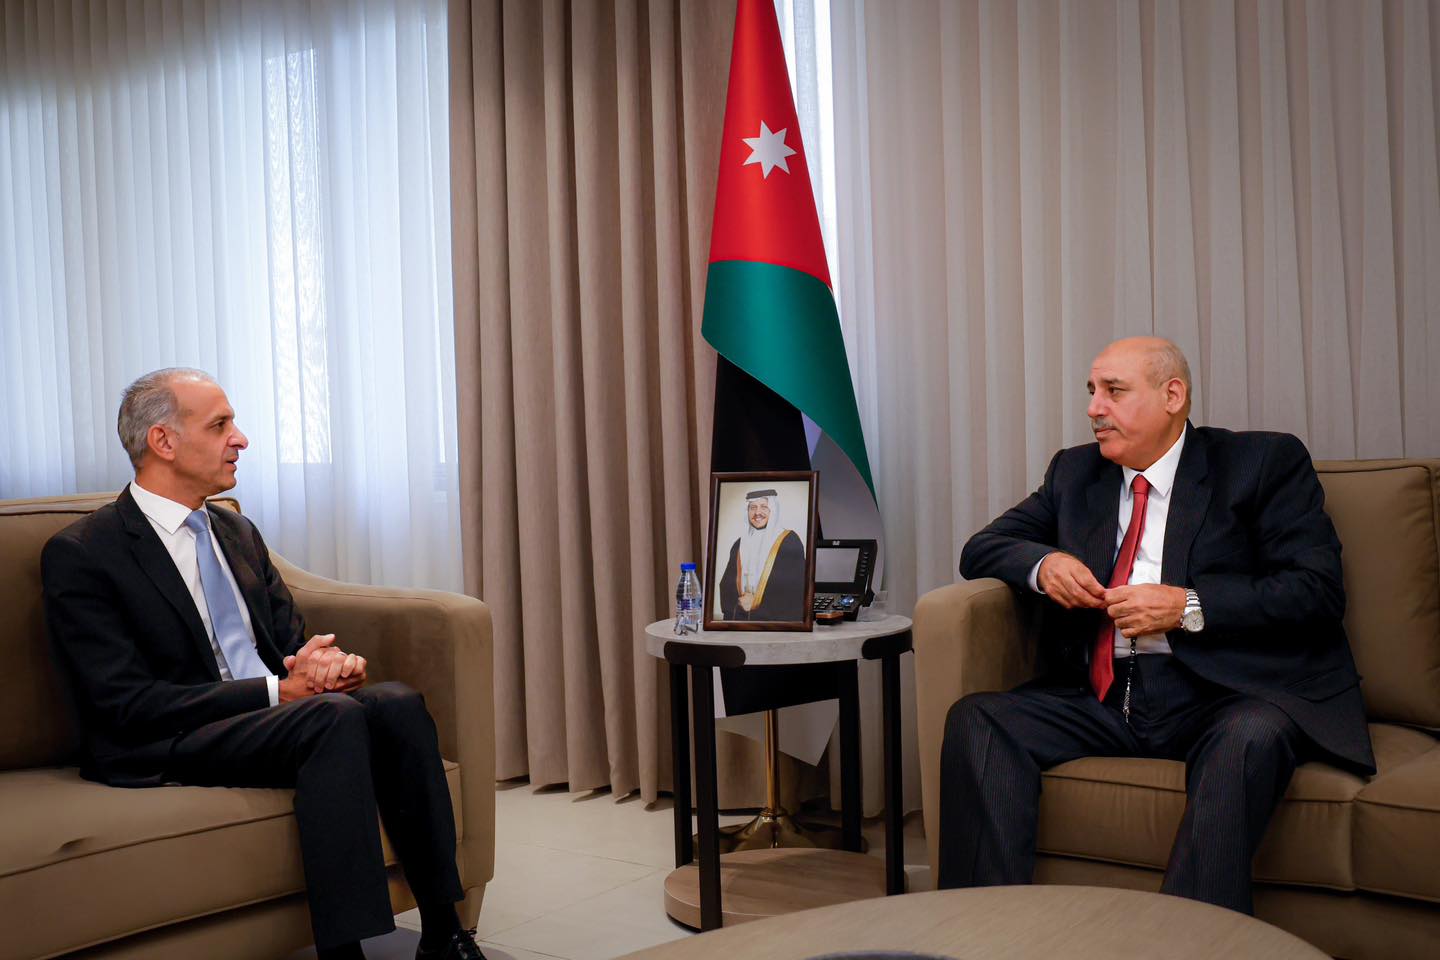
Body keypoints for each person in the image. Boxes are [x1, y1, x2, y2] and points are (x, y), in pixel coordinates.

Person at [41, 368, 486, 960]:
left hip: (269, 718)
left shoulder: (235, 530)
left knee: (396, 703)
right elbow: (124, 702)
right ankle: (344, 951)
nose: (241, 438)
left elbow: (287, 644)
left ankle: (445, 934)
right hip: (167, 734)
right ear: (163, 441)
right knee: (332, 718)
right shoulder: (84, 553)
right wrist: (281, 692)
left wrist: (323, 667)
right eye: (220, 425)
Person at [939, 337, 1374, 915]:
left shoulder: (1260, 463)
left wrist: (1186, 605)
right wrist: (1045, 565)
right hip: (1103, 696)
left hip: (1224, 692)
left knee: (1249, 737)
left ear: (1173, 396)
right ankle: (983, 930)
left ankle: (1187, 939)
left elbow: (1315, 590)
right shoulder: (1076, 472)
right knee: (978, 719)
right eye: (1092, 392)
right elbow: (983, 547)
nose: (1094, 408)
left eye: (1113, 391)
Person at [717, 488, 806, 621]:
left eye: (764, 507)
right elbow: (727, 585)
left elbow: (794, 587)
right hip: (742, 622)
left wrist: (757, 603)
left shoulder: (789, 541)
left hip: (775, 624)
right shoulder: (739, 544)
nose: (757, 512)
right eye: (753, 507)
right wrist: (740, 601)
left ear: (773, 510)